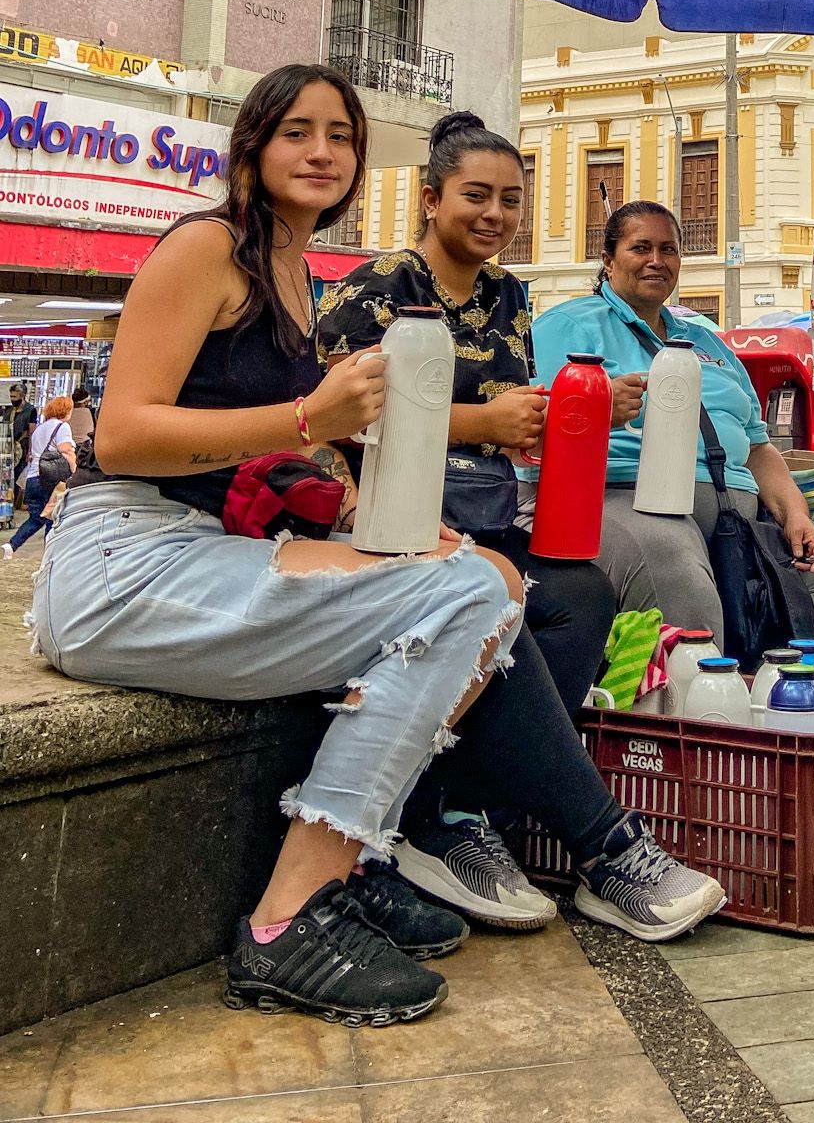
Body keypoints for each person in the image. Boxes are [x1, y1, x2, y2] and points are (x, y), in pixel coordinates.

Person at [30, 65, 723, 1023]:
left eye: (341, 138)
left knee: (482, 580)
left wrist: (359, 512)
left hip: (195, 547)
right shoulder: (206, 247)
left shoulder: (291, 270)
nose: (321, 153)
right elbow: (121, 439)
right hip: (122, 564)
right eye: (297, 133)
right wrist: (310, 414)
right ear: (253, 146)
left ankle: (383, 851)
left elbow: (270, 460)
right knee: (473, 592)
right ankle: (293, 916)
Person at [317, 111, 616, 718]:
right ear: (431, 199)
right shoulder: (379, 286)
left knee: (584, 595)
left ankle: (493, 785)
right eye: (475, 196)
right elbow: (337, 417)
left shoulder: (510, 293)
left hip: (489, 510)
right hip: (389, 519)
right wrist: (484, 423)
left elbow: (509, 407)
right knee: (502, 607)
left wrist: (557, 414)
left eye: (511, 201)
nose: (494, 215)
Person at [531, 201, 814, 643]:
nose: (656, 261)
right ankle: (706, 699)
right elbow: (533, 423)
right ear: (608, 259)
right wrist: (598, 408)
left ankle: (762, 682)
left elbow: (757, 447)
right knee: (671, 558)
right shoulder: (569, 326)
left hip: (731, 515)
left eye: (668, 250)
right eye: (641, 248)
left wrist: (795, 514)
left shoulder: (705, 341)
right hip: (619, 498)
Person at [5, 396, 75, 556]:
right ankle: (49, 557)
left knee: (35, 518)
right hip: (50, 480)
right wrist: (74, 469)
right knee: (52, 517)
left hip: (33, 478)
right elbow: (66, 451)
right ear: (66, 410)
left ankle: (11, 545)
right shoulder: (62, 427)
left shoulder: (39, 429)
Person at [67, 385, 96, 459]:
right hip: (85, 449)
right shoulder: (91, 413)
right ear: (86, 402)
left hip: (68, 446)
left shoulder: (67, 413)